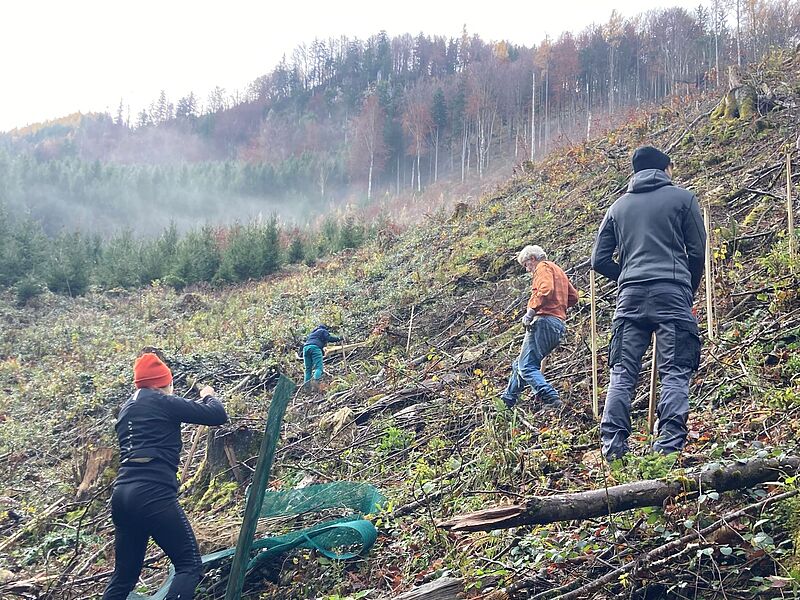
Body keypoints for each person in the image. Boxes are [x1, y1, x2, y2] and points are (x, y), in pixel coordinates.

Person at [592, 146, 706, 461]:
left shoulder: (617, 207)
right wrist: (687, 288)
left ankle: (613, 450)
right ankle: (668, 450)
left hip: (629, 300)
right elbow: (697, 253)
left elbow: (598, 260)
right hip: (672, 293)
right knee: (674, 370)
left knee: (622, 372)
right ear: (666, 168)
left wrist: (626, 276)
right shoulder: (684, 199)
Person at [102, 351, 228, 600]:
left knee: (123, 577)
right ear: (163, 383)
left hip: (122, 496)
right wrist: (209, 395)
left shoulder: (126, 409)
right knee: (189, 564)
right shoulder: (161, 401)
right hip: (153, 494)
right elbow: (217, 415)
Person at [500, 245, 579, 410]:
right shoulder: (557, 269)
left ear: (532, 259)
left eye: (526, 265)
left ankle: (550, 397)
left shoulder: (542, 268)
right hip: (557, 325)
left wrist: (531, 312)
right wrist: (558, 307)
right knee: (520, 364)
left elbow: (545, 290)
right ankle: (506, 401)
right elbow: (573, 297)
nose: (528, 270)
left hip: (543, 322)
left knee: (526, 366)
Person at [302, 324, 342, 391]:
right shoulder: (323, 331)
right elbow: (329, 338)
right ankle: (315, 381)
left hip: (305, 348)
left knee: (308, 370)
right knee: (319, 368)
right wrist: (338, 339)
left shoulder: (313, 333)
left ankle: (307, 388)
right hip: (315, 348)